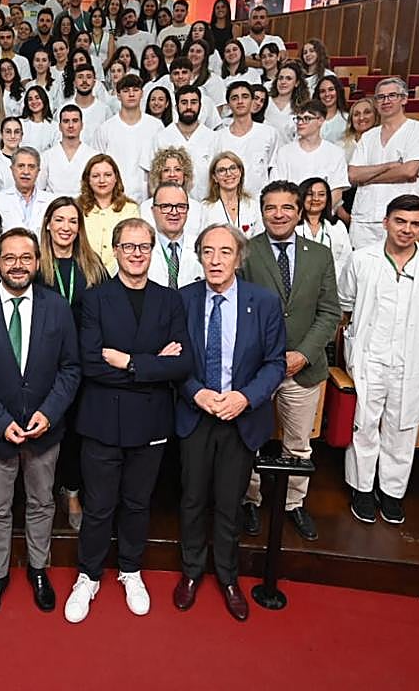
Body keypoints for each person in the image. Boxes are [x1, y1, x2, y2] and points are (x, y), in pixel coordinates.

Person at [65, 218, 189, 623]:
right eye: (129, 246)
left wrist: (129, 362)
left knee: (137, 504)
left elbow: (182, 364)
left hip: (151, 422)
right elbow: (90, 364)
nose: (137, 254)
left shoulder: (170, 301)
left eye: (144, 247)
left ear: (153, 251)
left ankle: (131, 570)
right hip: (102, 420)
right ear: (115, 250)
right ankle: (88, 575)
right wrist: (153, 365)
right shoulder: (94, 299)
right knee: (99, 506)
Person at [0, 227, 81, 620]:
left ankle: (38, 569)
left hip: (45, 431)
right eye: (9, 258)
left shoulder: (56, 307)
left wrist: (49, 413)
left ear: (38, 262)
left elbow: (70, 368)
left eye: (26, 257)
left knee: (42, 503)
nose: (18, 265)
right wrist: (0, 421)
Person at [173, 223, 286, 622]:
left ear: (239, 258)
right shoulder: (183, 299)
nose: (216, 260)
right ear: (199, 257)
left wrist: (245, 398)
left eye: (225, 252)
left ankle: (227, 576)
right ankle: (191, 572)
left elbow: (275, 363)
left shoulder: (264, 302)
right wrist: (195, 392)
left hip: (240, 417)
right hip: (196, 415)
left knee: (229, 502)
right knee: (192, 499)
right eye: (208, 251)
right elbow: (173, 358)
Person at [338, 195, 419, 526]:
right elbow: (347, 301)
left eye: (415, 224)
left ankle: (392, 492)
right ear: (386, 222)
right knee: (364, 424)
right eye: (400, 221)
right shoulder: (362, 258)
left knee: (403, 427)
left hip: (410, 359)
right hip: (369, 355)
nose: (407, 229)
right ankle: (361, 488)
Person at [239, 180, 340, 540]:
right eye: (271, 207)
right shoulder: (246, 252)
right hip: (255, 368)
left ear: (299, 212)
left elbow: (329, 312)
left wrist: (303, 354)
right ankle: (249, 499)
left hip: (303, 368)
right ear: (262, 212)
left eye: (286, 208)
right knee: (249, 438)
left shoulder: (320, 254)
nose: (278, 214)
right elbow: (238, 309)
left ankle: (293, 503)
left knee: (297, 443)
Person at [36, 197, 109, 529]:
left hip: (82, 365)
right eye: (59, 220)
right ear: (48, 224)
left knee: (77, 434)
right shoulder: (36, 265)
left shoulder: (93, 266)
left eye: (72, 221)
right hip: (44, 365)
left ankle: (73, 491)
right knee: (50, 431)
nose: (66, 227)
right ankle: (43, 496)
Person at [347, 77, 419, 248]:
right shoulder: (368, 136)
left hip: (402, 218)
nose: (386, 101)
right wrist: (388, 166)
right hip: (364, 218)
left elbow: (408, 171)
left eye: (392, 95)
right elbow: (353, 175)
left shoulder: (418, 130)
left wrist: (367, 178)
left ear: (404, 99)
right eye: (381, 97)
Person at [94, 74, 162, 202]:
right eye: (126, 91)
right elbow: (97, 166)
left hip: (147, 197)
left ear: (142, 94)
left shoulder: (156, 126)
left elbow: (160, 165)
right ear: (118, 95)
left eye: (135, 90)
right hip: (113, 198)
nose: (131, 94)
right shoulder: (105, 129)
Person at [270, 101, 350, 209]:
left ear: (320, 120)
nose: (300, 123)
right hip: (291, 213)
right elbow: (278, 188)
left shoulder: (336, 153)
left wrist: (319, 213)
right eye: (298, 118)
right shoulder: (284, 152)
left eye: (307, 118)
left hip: (323, 214)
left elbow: (337, 191)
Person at [148, 85, 218, 199]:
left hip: (205, 203)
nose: (189, 107)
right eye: (184, 103)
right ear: (176, 107)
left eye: (193, 102)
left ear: (200, 106)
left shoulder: (213, 138)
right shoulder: (162, 137)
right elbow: (153, 178)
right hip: (170, 204)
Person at [80, 154, 141, 273]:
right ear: (88, 180)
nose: (102, 180)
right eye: (96, 176)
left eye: (107, 175)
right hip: (84, 272)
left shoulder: (130, 209)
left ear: (116, 178)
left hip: (120, 273)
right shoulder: (77, 208)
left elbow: (133, 245)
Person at [217, 81, 278, 198]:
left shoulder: (269, 133)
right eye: (234, 98)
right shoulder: (218, 137)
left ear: (252, 100)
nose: (240, 101)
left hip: (260, 200)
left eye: (245, 97)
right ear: (228, 104)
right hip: (228, 200)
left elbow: (273, 168)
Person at [194, 151, 263, 238]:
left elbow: (259, 238)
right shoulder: (205, 208)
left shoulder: (253, 205)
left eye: (233, 168)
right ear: (214, 177)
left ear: (240, 172)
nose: (228, 174)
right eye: (222, 170)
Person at [147, 183, 202, 288]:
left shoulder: (201, 247)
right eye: (166, 206)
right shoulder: (140, 249)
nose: (174, 212)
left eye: (181, 207)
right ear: (153, 211)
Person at [296, 176, 352, 278]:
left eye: (321, 194)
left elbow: (346, 259)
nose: (316, 198)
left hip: (332, 281)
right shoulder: (291, 225)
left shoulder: (337, 226)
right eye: (310, 194)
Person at [40, 104, 98, 196]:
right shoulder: (46, 157)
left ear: (82, 125)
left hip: (83, 204)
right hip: (53, 204)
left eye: (75, 121)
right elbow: (39, 189)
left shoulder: (93, 156)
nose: (71, 125)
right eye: (66, 121)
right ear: (59, 126)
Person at [0, 146, 51, 233]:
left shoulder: (50, 201)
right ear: (12, 169)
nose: (26, 172)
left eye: (31, 167)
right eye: (21, 166)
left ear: (38, 171)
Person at [58, 64, 111, 143]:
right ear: (74, 83)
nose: (84, 81)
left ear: (94, 82)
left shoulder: (105, 110)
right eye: (80, 77)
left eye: (89, 77)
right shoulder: (63, 109)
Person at [314, 73, 350, 145]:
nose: (327, 94)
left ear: (338, 91)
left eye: (331, 89)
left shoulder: (347, 119)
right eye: (322, 91)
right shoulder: (310, 118)